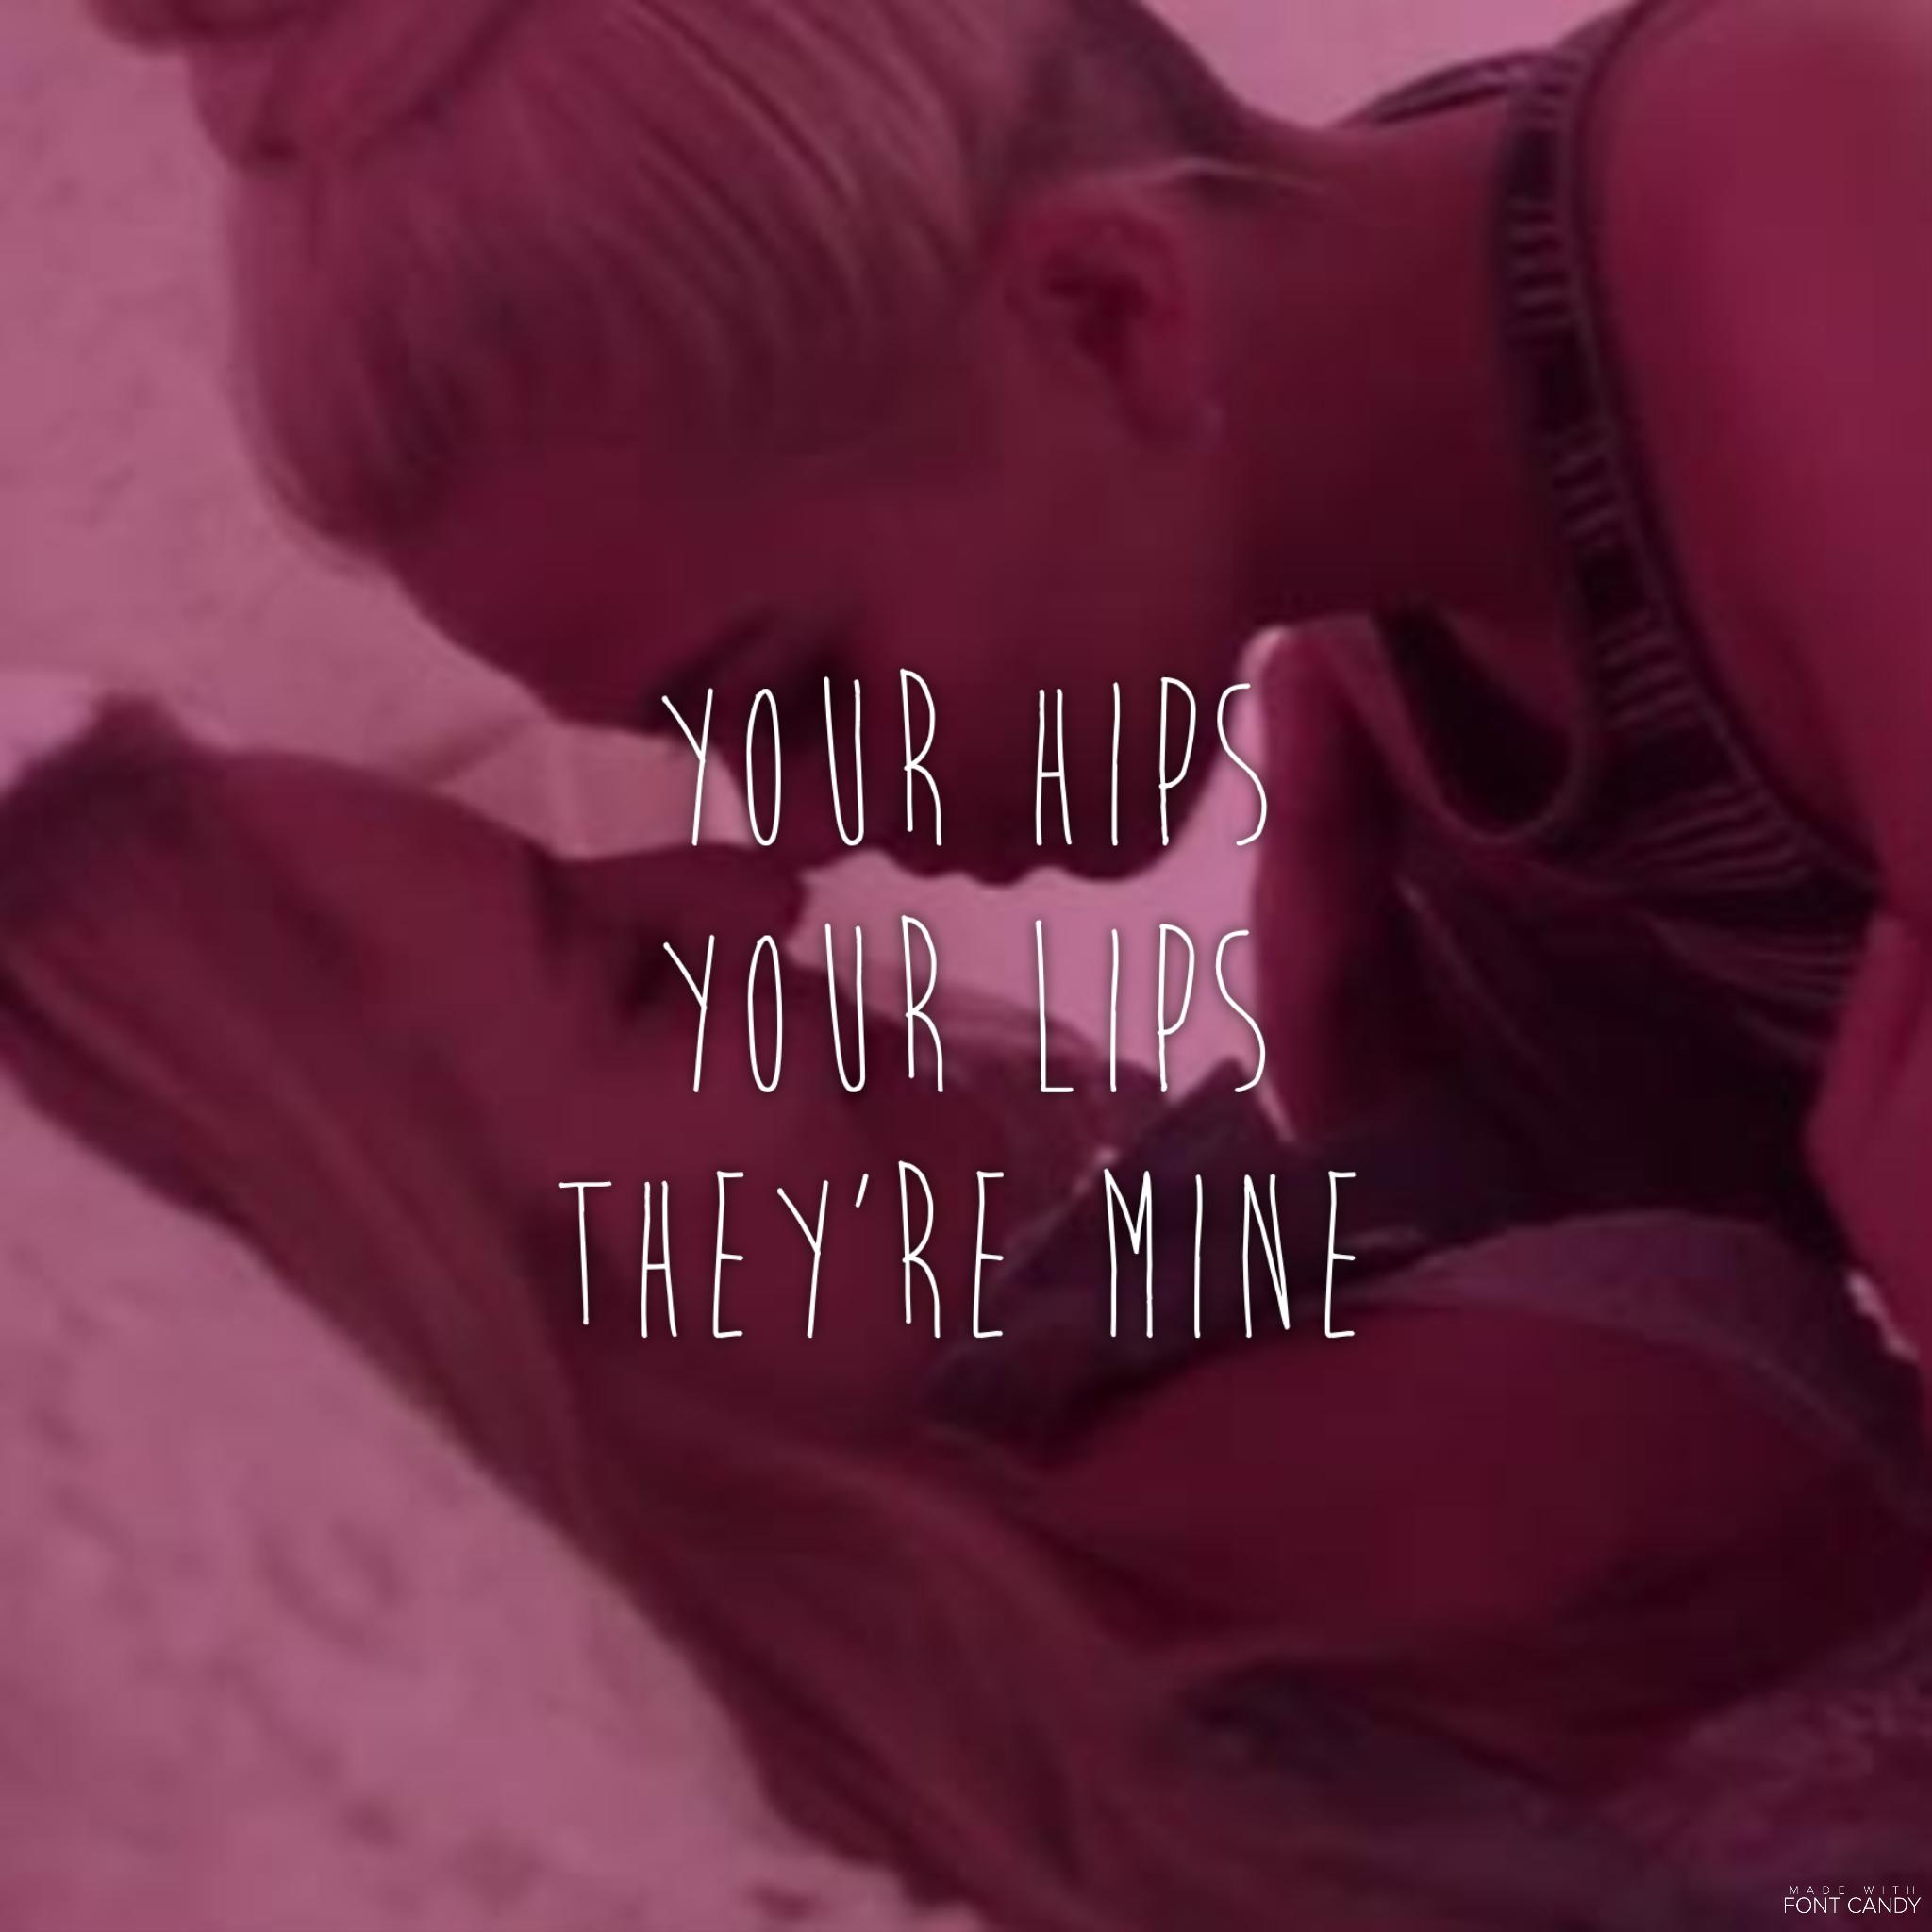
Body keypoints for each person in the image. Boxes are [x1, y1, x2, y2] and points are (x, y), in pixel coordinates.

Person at [93, 0, 1932, 1377]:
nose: (790, 845)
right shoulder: (1403, 649)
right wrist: (1390, 1135)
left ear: (1106, 313)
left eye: (791, 693)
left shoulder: (1797, 209)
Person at [0, 699, 1924, 1927]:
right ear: (486, 1368)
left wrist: (1356, 1022)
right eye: (632, 979)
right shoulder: (1172, 1839)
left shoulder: (1028, 1386)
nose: (749, 880)